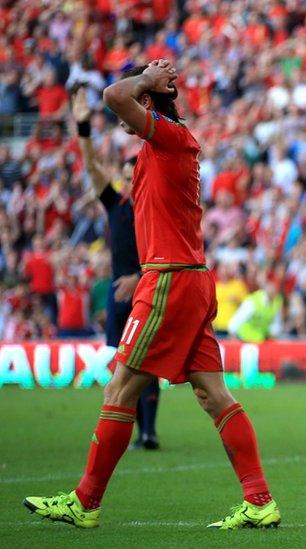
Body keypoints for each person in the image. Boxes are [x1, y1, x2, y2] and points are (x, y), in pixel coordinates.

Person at [23, 60, 280, 530]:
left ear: (146, 103)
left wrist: (145, 81)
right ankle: (259, 500)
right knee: (213, 395)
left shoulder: (168, 138)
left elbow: (113, 95)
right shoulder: (162, 147)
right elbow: (110, 121)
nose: (120, 120)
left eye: (136, 99)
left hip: (168, 281)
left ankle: (85, 501)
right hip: (188, 278)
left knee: (120, 387)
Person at [71, 88, 161, 451]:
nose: (130, 178)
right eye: (127, 173)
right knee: (122, 362)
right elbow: (91, 167)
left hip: (145, 285)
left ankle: (148, 432)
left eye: (134, 172)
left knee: (146, 361)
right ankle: (132, 432)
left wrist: (139, 277)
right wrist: (82, 128)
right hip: (119, 289)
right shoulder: (117, 204)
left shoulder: (154, 206)